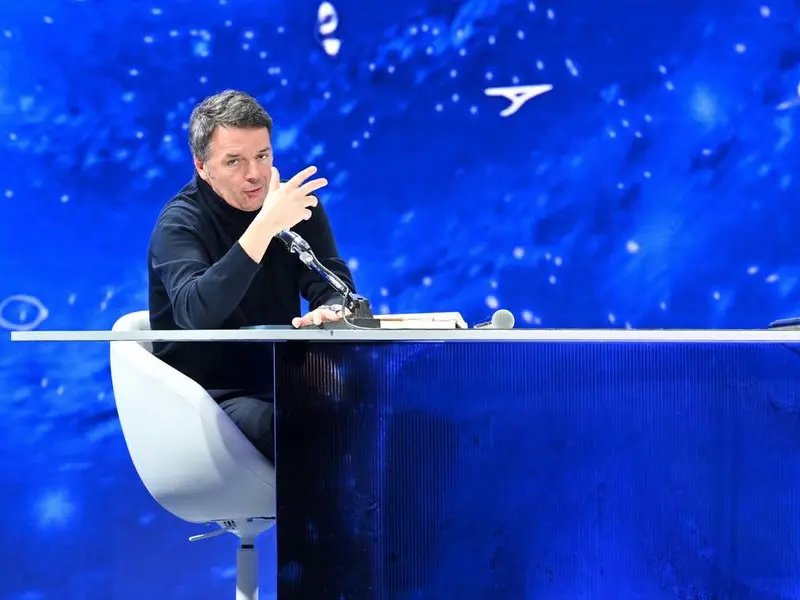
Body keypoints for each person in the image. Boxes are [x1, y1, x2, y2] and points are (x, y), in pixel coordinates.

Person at [147, 89, 357, 463]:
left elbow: (330, 280)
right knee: (312, 432)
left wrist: (331, 309)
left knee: (392, 411)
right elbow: (197, 313)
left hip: (285, 379)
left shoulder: (291, 206)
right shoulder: (178, 224)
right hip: (209, 398)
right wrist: (264, 227)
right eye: (234, 161)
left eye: (262, 156)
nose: (254, 174)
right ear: (202, 166)